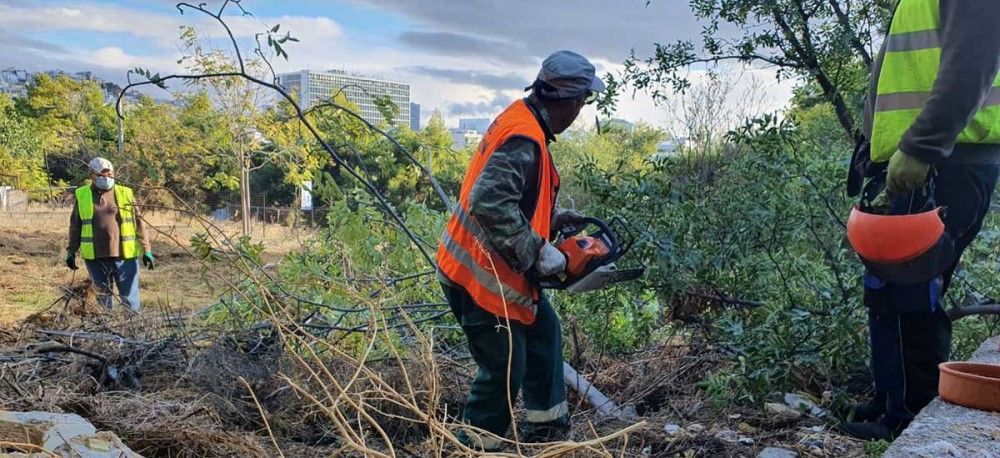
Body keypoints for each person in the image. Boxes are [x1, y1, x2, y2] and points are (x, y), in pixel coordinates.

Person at [842, 0, 1000, 440]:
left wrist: (921, 146)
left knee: (914, 288)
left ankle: (908, 417)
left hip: (942, 162)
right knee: (886, 287)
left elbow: (972, 63)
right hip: (914, 162)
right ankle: (891, 399)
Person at [435, 50, 604, 451]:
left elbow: (512, 197)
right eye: (581, 102)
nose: (581, 110)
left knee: (545, 334)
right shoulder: (524, 138)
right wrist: (541, 253)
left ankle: (547, 436)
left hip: (492, 267)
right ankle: (474, 447)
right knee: (503, 370)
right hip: (479, 276)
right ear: (570, 101)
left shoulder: (522, 118)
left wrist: (552, 219)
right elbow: (490, 203)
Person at [66, 157, 155, 312]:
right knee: (102, 297)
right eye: (101, 175)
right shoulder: (82, 195)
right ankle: (106, 329)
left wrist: (146, 249)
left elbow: (139, 223)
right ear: (91, 175)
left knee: (129, 297)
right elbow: (75, 226)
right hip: (95, 257)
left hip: (123, 255)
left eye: (109, 174)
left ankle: (132, 330)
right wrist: (71, 251)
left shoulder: (125, 193)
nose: (106, 178)